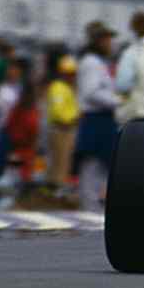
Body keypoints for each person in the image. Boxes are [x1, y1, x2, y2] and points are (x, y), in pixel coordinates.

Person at [76, 22, 120, 209]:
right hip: (96, 118)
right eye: (107, 39)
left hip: (102, 118)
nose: (111, 43)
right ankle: (90, 206)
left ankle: (94, 205)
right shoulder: (92, 63)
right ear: (99, 41)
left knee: (101, 166)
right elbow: (91, 92)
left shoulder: (98, 63)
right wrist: (117, 101)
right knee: (92, 166)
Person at [45, 55, 79, 193]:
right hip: (62, 128)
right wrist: (73, 117)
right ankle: (55, 189)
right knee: (60, 161)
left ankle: (56, 188)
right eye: (70, 73)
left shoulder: (65, 87)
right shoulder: (58, 87)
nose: (72, 76)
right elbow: (57, 111)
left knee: (63, 161)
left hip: (66, 128)